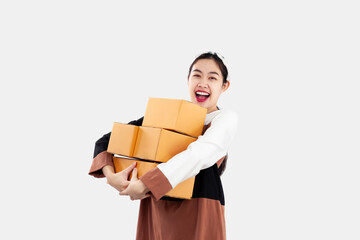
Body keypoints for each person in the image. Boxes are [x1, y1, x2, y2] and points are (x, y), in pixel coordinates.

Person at [88, 52, 238, 239]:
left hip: (199, 210)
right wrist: (111, 177)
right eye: (197, 75)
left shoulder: (224, 119)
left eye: (212, 77)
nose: (203, 82)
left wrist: (145, 184)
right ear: (188, 80)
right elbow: (106, 141)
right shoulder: (166, 116)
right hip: (156, 209)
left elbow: (199, 154)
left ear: (224, 86)